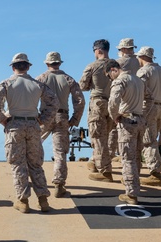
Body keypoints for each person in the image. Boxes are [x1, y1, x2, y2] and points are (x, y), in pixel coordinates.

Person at [0, 53, 58, 213]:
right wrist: (43, 119)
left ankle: (23, 200)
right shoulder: (38, 85)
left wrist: (2, 119)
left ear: (13, 67)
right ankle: (43, 200)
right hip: (34, 125)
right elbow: (53, 102)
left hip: (14, 125)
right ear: (28, 67)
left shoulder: (6, 83)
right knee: (35, 164)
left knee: (18, 164)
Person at [36, 52, 84, 197]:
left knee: (34, 145)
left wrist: (36, 116)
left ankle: (33, 177)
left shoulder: (40, 79)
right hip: (62, 116)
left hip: (45, 115)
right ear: (60, 63)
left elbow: (31, 97)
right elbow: (80, 101)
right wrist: (75, 120)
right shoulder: (68, 79)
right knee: (60, 152)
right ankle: (59, 184)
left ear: (47, 63)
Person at [107, 60, 145, 204]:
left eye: (109, 75)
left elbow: (113, 102)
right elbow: (149, 98)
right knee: (136, 157)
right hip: (140, 119)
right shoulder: (138, 80)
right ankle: (135, 185)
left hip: (128, 120)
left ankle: (131, 193)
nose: (110, 78)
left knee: (127, 158)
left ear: (113, 70)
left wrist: (115, 116)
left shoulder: (120, 81)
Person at [79, 40, 117, 181]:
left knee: (97, 137)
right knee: (105, 136)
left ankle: (105, 172)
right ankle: (96, 162)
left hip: (98, 102)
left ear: (98, 50)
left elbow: (82, 85)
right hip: (112, 103)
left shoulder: (92, 66)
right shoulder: (115, 66)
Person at [136, 47, 161, 184]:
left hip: (147, 107)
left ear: (143, 57)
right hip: (159, 107)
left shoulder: (144, 71)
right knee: (152, 138)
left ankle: (155, 172)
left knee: (148, 140)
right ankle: (153, 168)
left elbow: (139, 89)